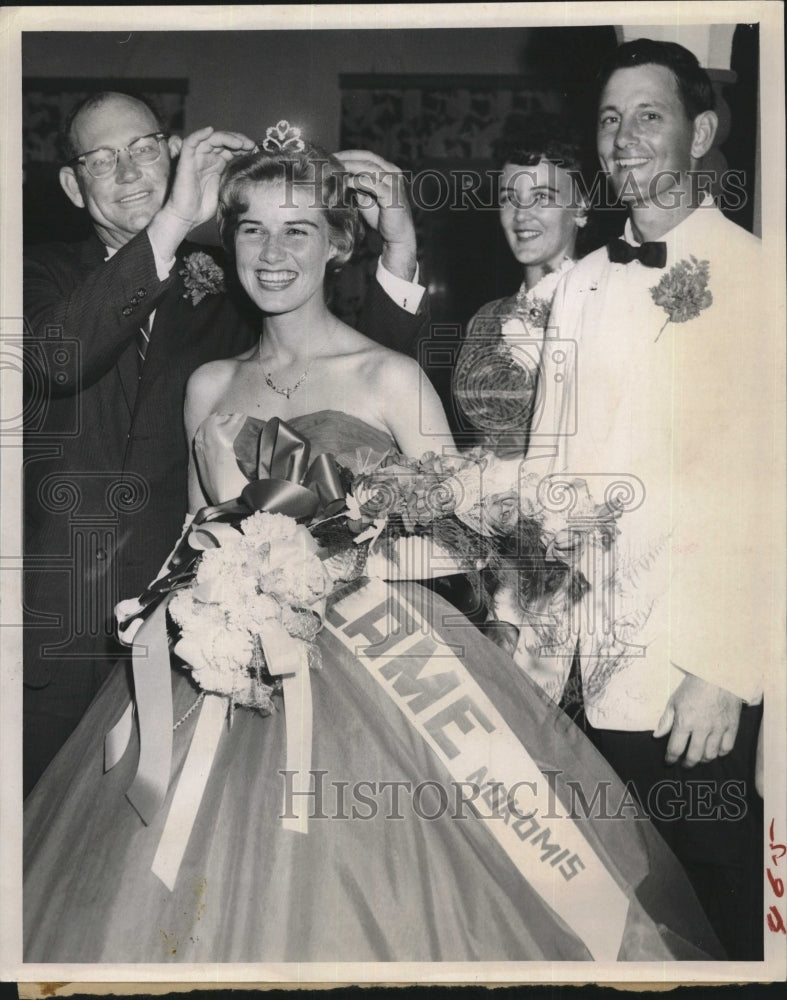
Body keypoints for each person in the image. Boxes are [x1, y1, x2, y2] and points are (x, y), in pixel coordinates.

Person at [23, 132, 722, 964]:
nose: (272, 254)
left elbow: (465, 538)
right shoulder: (208, 384)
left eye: (299, 230)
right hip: (228, 669)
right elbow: (194, 537)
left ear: (336, 244)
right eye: (251, 230)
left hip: (384, 676)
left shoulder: (385, 375)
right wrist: (221, 588)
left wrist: (332, 566)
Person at [22, 91, 428, 795]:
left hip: (186, 632)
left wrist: (398, 246)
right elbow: (61, 358)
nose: (128, 172)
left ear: (174, 152)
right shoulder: (32, 270)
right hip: (48, 625)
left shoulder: (228, 276)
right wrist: (178, 216)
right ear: (70, 183)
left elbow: (354, 394)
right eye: (102, 159)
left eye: (144, 148)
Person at [533, 39, 772, 960]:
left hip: (689, 680)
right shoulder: (579, 285)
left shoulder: (753, 274)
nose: (623, 137)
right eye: (607, 118)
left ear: (699, 131)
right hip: (584, 670)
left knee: (722, 905)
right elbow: (553, 473)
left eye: (647, 115)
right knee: (620, 919)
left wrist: (720, 667)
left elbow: (761, 489)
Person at [452, 116, 589, 458]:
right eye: (510, 197)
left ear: (581, 207)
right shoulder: (484, 320)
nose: (521, 214)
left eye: (542, 197)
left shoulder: (603, 307)